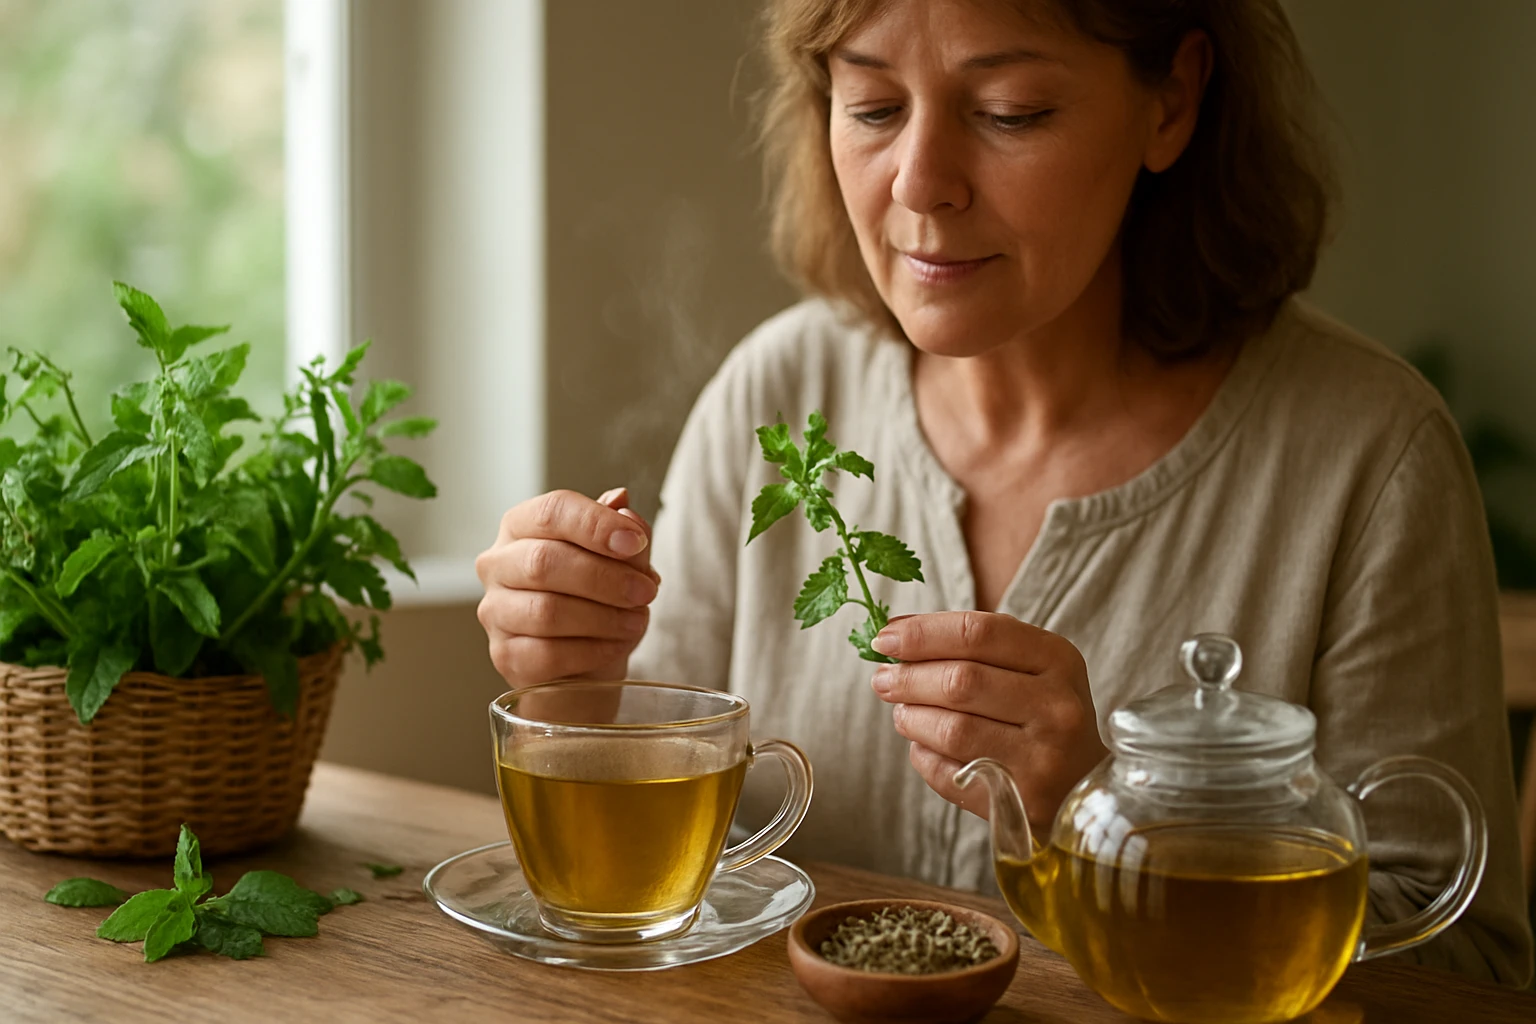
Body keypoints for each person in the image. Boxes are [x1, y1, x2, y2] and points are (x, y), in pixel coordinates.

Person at [474, 0, 1533, 985]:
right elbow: (656, 881)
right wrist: (569, 683)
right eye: (874, 105)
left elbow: (1469, 969)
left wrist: (1112, 824)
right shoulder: (778, 391)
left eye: (1008, 111)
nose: (921, 181)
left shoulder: (1369, 456)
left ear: (1171, 102)